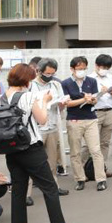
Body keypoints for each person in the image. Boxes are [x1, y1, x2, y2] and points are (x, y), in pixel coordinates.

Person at [0, 64, 85, 223]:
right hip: (30, 147)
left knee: (18, 189)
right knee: (49, 188)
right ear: (26, 80)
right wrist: (45, 100)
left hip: (10, 150)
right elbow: (42, 119)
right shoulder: (28, 96)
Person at [61, 56, 106, 191]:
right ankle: (80, 179)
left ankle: (101, 179)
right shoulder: (66, 83)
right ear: (72, 69)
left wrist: (92, 99)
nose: (82, 71)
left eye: (84, 68)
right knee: (75, 152)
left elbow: (95, 99)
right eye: (79, 69)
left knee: (95, 150)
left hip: (91, 118)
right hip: (74, 119)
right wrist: (83, 99)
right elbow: (67, 103)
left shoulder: (91, 81)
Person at [29, 59, 69, 197]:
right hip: (35, 128)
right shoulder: (30, 85)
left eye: (52, 73)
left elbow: (61, 105)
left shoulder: (56, 84)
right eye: (47, 73)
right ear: (39, 71)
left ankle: (54, 188)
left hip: (52, 125)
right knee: (31, 162)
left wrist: (62, 103)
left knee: (51, 161)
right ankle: (26, 194)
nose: (49, 76)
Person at [86, 55, 112, 177]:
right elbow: (87, 96)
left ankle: (101, 169)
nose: (105, 69)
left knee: (105, 142)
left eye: (107, 67)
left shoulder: (111, 77)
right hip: (95, 111)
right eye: (103, 67)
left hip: (109, 111)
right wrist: (99, 93)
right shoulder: (89, 78)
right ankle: (85, 169)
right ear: (96, 66)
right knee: (91, 144)